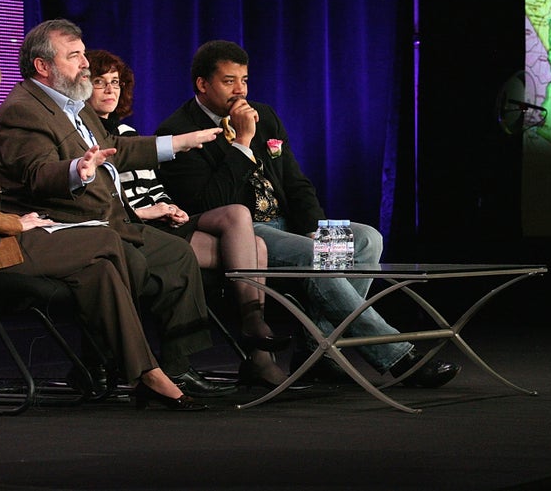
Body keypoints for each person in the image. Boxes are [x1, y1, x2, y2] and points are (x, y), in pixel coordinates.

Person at [0, 51, 204, 411]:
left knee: (100, 268)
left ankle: (141, 372)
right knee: (106, 241)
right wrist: (18, 222)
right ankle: (136, 369)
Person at [155, 39, 460, 388]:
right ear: (202, 84)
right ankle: (398, 356)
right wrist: (241, 143)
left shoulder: (264, 115)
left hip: (288, 226)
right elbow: (209, 203)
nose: (240, 90)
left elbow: (296, 183)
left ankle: (319, 351)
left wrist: (314, 227)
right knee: (320, 259)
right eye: (229, 81)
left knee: (365, 240)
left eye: (244, 80)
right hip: (247, 234)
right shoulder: (177, 131)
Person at [0, 18, 234, 399]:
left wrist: (178, 143)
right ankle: (107, 362)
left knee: (177, 255)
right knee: (130, 263)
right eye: (75, 56)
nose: (85, 64)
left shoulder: (75, 105)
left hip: (112, 219)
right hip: (71, 223)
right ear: (43, 66)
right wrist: (77, 169)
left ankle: (176, 365)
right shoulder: (23, 111)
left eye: (83, 54)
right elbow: (36, 174)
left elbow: (117, 148)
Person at [85, 48, 292, 388]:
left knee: (248, 231)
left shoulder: (129, 132)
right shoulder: (86, 137)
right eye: (99, 83)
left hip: (163, 220)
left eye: (116, 83)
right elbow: (101, 200)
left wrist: (167, 205)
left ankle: (256, 339)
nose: (110, 90)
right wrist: (144, 212)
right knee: (254, 245)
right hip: (133, 227)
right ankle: (252, 345)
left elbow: (150, 185)